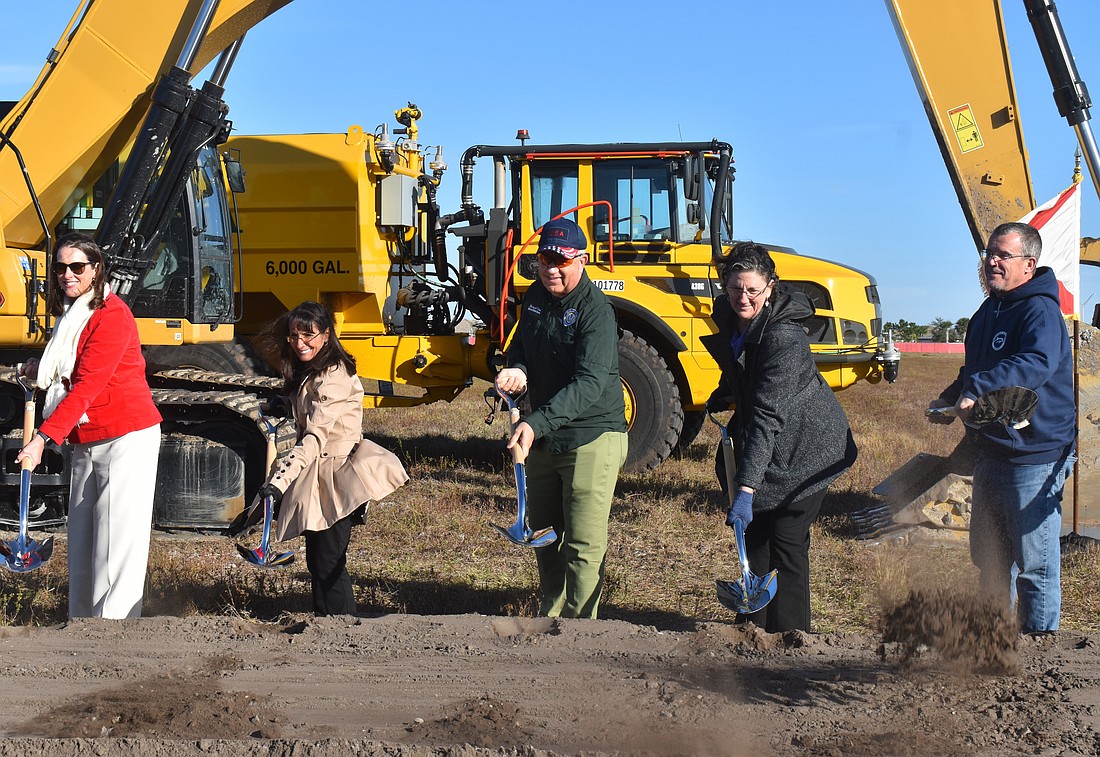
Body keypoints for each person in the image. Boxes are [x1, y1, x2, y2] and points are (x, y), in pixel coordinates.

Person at [927, 222, 1075, 634]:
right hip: (993, 450)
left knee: (1035, 565)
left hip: (1035, 455)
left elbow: (1035, 364)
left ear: (1028, 264)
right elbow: (976, 367)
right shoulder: (988, 309)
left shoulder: (1039, 310)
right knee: (991, 558)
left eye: (1002, 255)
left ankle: (1041, 660)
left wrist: (978, 387)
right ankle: (993, 644)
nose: (991, 260)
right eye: (990, 252)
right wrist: (951, 395)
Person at [702, 241, 856, 633]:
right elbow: (742, 364)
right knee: (755, 537)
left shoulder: (784, 337)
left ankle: (791, 641)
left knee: (786, 540)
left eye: (753, 290)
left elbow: (768, 416)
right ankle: (751, 633)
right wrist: (727, 391)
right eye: (736, 288)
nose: (743, 297)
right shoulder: (729, 313)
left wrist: (748, 487)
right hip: (773, 442)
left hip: (809, 449)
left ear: (771, 286)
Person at [16, 232, 162, 619]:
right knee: (83, 540)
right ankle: (82, 625)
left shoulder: (112, 315)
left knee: (116, 544)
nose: (68, 274)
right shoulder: (72, 314)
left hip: (126, 435)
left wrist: (42, 438)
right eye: (61, 267)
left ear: (96, 270)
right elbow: (72, 370)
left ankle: (113, 632)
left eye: (77, 267)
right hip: (86, 436)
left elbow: (89, 384)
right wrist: (41, 372)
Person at [495, 217, 628, 619]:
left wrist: (534, 424)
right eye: (545, 259)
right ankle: (550, 621)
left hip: (591, 436)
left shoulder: (596, 312)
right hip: (545, 435)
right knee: (545, 536)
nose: (552, 268)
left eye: (562, 261)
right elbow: (520, 344)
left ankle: (579, 632)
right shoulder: (536, 296)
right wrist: (516, 367)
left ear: (582, 261)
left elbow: (589, 384)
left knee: (583, 545)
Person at [247, 301, 408, 616]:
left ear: (326, 334)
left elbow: (315, 437)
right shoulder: (313, 369)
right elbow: (309, 405)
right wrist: (283, 403)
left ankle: (341, 631)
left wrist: (278, 483)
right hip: (319, 474)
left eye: (308, 335)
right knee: (319, 560)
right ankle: (327, 627)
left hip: (337, 476)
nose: (299, 342)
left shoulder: (333, 373)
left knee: (329, 561)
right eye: (293, 335)